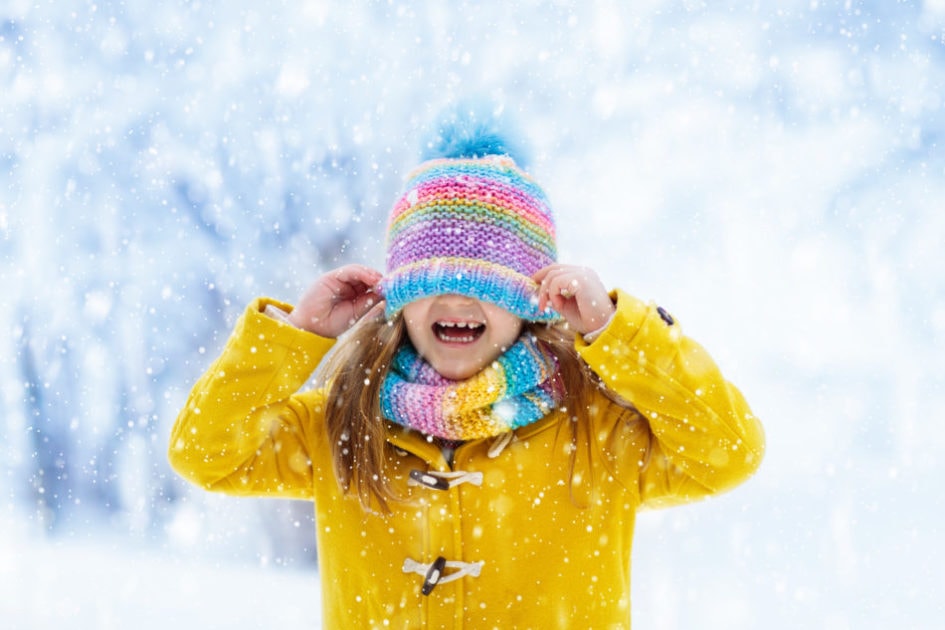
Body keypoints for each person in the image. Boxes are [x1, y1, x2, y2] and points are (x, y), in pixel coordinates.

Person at [168, 113, 765, 628]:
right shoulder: (345, 422)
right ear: (400, 300)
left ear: (533, 301)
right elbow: (205, 449)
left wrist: (618, 331)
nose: (455, 302)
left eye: (484, 284)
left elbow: (728, 448)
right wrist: (294, 339)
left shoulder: (594, 429)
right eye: (431, 283)